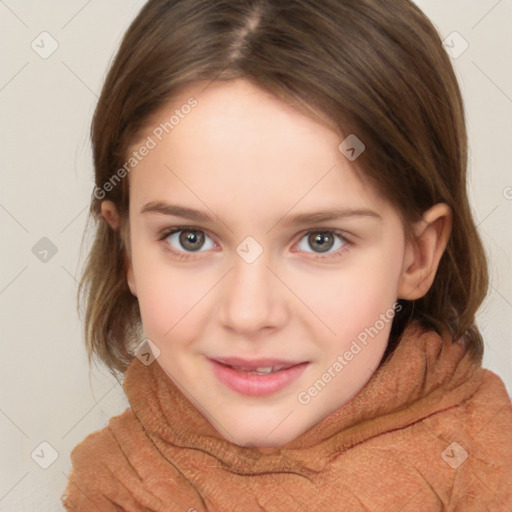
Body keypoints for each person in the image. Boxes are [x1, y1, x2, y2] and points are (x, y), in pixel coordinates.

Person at [61, 0, 512, 510]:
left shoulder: (490, 470)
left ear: (417, 255)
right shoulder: (110, 484)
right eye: (190, 238)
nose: (249, 313)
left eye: (321, 240)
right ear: (127, 253)